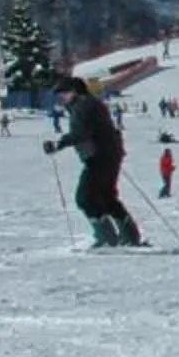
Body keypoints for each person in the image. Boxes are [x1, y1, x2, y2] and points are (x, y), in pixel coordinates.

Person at [47, 76, 141, 248]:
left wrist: (59, 144)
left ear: (74, 91)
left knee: (85, 198)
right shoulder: (88, 104)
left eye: (64, 94)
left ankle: (107, 237)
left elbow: (82, 132)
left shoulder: (83, 106)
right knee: (106, 196)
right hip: (108, 153)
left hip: (99, 155)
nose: (62, 98)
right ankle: (129, 235)